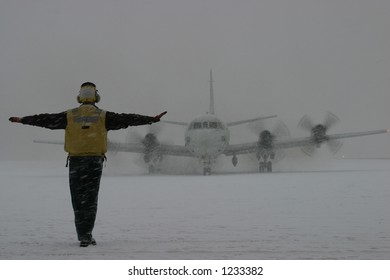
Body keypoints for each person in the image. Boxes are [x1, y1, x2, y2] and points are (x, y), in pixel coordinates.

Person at [9, 82, 167, 247]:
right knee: (90, 199)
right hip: (94, 162)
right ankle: (87, 235)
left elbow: (46, 120)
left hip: (76, 162)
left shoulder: (69, 116)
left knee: (78, 200)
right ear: (96, 97)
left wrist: (23, 120)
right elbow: (126, 118)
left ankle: (82, 234)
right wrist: (150, 120)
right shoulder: (103, 116)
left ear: (79, 97)